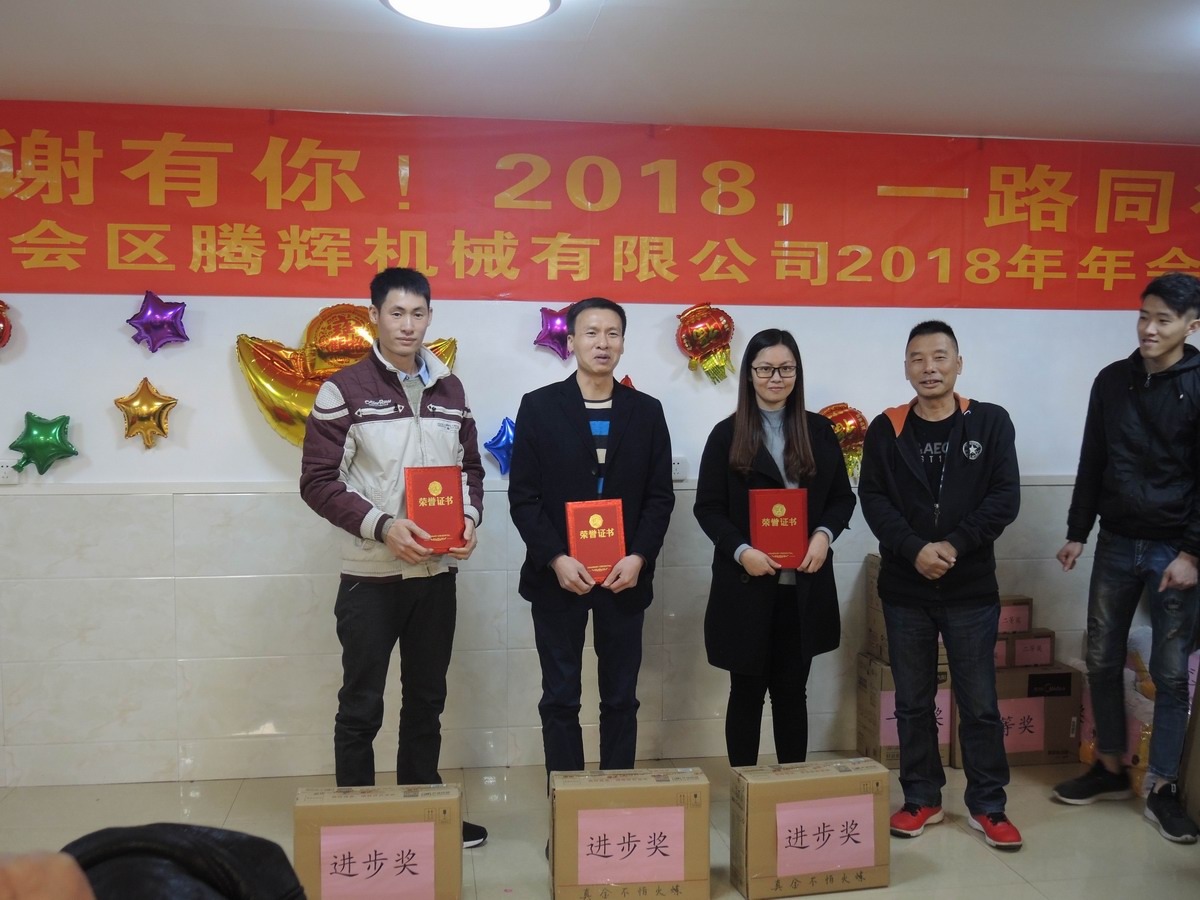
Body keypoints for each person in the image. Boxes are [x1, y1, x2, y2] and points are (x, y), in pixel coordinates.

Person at [299, 267, 488, 849]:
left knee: (427, 700)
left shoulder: (451, 389)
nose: (408, 324)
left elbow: (470, 470)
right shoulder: (344, 390)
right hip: (371, 576)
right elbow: (317, 481)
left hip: (435, 574)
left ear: (430, 317)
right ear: (374, 317)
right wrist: (383, 527)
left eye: (418, 313)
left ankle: (423, 811)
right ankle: (357, 824)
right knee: (362, 704)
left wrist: (469, 520)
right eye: (396, 313)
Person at [859, 320, 1023, 851]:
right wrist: (914, 549)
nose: (929, 368)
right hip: (906, 590)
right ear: (906, 367)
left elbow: (1004, 497)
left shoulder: (990, 422)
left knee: (980, 704)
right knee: (912, 701)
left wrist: (952, 545)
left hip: (969, 588)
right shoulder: (887, 428)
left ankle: (988, 805)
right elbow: (874, 500)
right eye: (917, 358)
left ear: (958, 363)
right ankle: (922, 797)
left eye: (939, 357)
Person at [1051, 273, 1200, 844]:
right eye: (1144, 316)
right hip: (1115, 539)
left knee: (1170, 671)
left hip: (1173, 548)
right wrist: (1077, 532)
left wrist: (1192, 553)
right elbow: (1093, 458)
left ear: (1190, 325)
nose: (1149, 329)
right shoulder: (1112, 380)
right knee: (1102, 656)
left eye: (1163, 319)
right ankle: (1110, 766)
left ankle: (1162, 786)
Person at [509, 297, 675, 783]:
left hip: (624, 576)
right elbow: (524, 497)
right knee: (560, 696)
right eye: (591, 332)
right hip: (558, 577)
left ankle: (614, 797)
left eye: (612, 333)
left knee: (620, 696)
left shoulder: (646, 412)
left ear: (623, 342)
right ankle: (566, 799)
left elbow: (659, 497)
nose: (603, 343)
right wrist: (556, 558)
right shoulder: (539, 406)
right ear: (572, 340)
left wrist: (639, 556)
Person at [693, 328, 856, 766]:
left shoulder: (819, 431)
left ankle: (790, 786)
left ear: (797, 373)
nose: (776, 378)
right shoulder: (726, 435)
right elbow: (708, 508)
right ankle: (745, 789)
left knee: (791, 692)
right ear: (749, 374)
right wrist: (741, 550)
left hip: (802, 586)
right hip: (746, 584)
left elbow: (842, 498)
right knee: (745, 692)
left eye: (785, 368)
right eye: (765, 369)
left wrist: (824, 535)